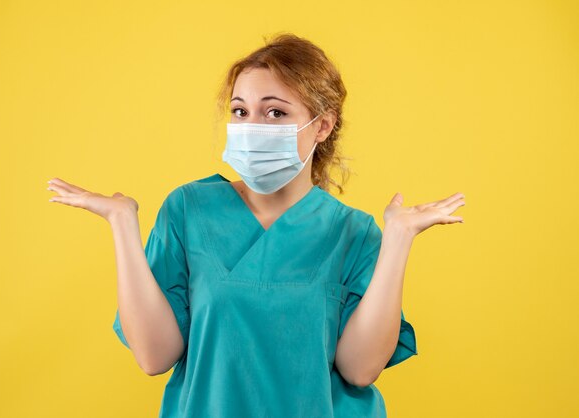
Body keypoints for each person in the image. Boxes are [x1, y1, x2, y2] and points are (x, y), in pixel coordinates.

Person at [47, 33, 465, 418]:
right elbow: (154, 356)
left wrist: (399, 240)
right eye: (240, 111)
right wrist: (122, 223)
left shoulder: (353, 232)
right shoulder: (189, 210)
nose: (252, 127)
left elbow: (359, 370)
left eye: (275, 112)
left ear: (322, 125)